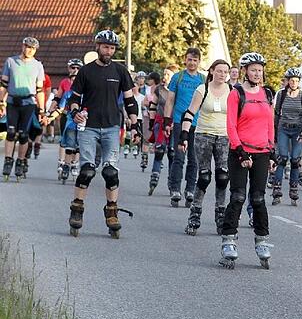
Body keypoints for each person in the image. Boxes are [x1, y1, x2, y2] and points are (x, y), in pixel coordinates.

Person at [64, 30, 137, 238]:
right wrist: (76, 111)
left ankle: (112, 213)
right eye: (105, 47)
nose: (109, 51)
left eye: (112, 48)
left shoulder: (120, 71)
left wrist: (135, 123)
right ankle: (77, 210)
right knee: (87, 170)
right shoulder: (86, 72)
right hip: (89, 126)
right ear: (97, 47)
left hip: (112, 126)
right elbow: (74, 98)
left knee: (110, 172)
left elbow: (130, 100)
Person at [219, 52, 275, 269]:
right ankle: (229, 240)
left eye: (260, 70)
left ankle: (261, 240)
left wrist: (272, 151)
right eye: (253, 70)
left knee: (259, 198)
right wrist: (240, 151)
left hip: (262, 151)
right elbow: (231, 124)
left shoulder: (267, 93)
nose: (257, 74)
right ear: (245, 71)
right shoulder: (236, 93)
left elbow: (270, 123)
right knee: (238, 196)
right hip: (240, 151)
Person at [179, 59, 232, 236]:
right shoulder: (203, 89)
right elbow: (190, 112)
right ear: (212, 71)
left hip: (224, 136)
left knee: (223, 176)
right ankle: (195, 212)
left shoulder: (231, 91)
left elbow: (237, 117)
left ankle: (220, 213)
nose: (222, 75)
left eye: (225, 72)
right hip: (203, 135)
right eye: (219, 71)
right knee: (204, 177)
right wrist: (184, 135)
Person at [1, 37, 46, 182]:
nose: (29, 50)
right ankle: (8, 160)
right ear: (23, 46)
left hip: (29, 103)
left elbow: (40, 89)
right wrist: (1, 102)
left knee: (23, 134)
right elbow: (3, 84)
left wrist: (42, 109)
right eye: (27, 47)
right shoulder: (11, 61)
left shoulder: (38, 66)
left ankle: (20, 161)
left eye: (32, 49)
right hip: (13, 101)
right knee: (11, 131)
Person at [165, 47, 204, 207]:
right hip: (179, 121)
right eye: (189, 59)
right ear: (185, 60)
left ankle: (190, 189)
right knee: (179, 156)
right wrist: (168, 121)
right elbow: (170, 100)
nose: (192, 63)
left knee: (194, 158)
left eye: (195, 60)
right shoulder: (178, 77)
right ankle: (175, 189)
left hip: (197, 122)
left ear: (199, 62)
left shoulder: (202, 79)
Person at [271, 67, 302, 206]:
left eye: (296, 81)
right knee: (282, 158)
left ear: (299, 82)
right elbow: (276, 114)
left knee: (295, 160)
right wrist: (274, 133)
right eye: (291, 80)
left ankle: (293, 190)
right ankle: (277, 190)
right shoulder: (281, 94)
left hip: (298, 130)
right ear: (287, 81)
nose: (293, 83)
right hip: (283, 128)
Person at [147, 69, 175, 194]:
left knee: (172, 153)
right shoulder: (159, 89)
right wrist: (152, 123)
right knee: (159, 150)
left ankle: (172, 180)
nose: (165, 76)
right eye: (165, 74)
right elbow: (153, 105)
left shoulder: (177, 89)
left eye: (168, 74)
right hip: (160, 122)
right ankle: (154, 175)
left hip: (175, 123)